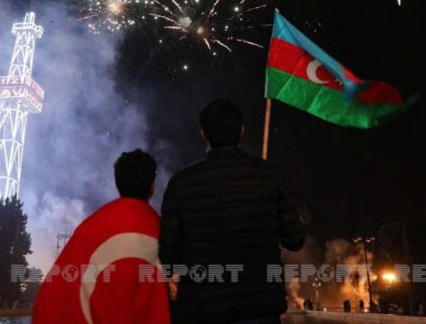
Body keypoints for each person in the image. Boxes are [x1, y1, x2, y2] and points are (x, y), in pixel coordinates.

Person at [159, 100, 305, 324]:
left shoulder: (182, 183)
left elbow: (168, 255)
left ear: (203, 134)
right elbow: (295, 239)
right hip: (260, 307)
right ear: (242, 131)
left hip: (203, 308)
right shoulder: (269, 175)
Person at [32, 149, 170, 324]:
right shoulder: (164, 231)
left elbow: (55, 295)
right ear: (152, 186)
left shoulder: (89, 229)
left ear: (117, 182)